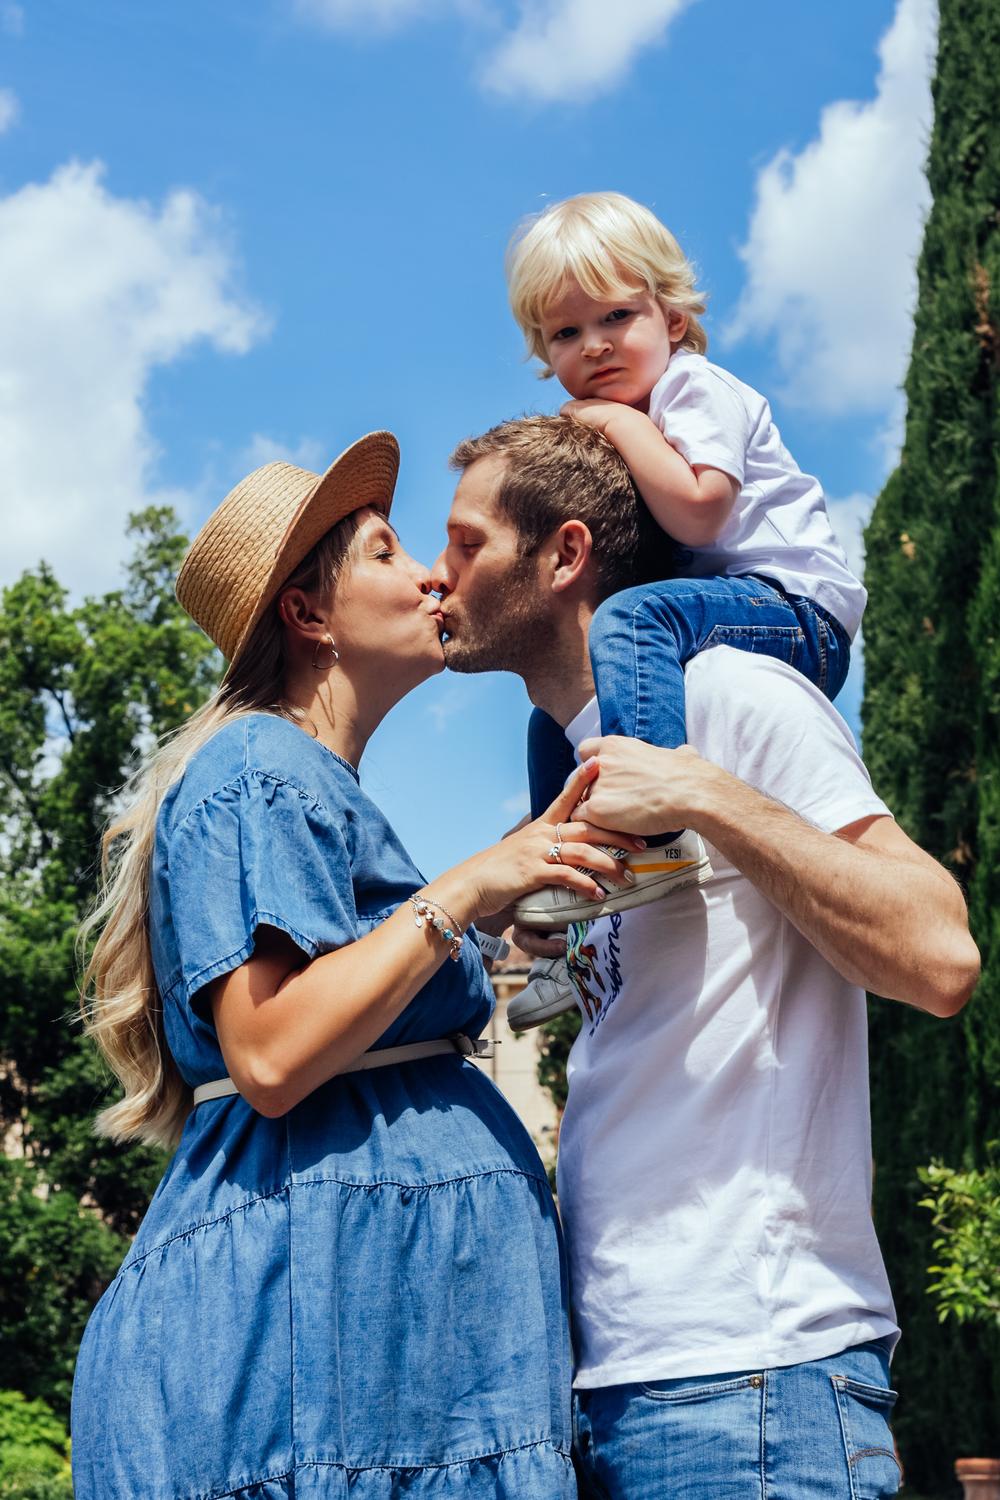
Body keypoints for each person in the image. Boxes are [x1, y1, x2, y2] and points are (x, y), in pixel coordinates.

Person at [71, 432, 644, 1499]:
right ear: (309, 615)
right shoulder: (259, 761)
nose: (431, 572)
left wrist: (502, 915)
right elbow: (272, 1050)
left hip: (375, 1364)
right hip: (313, 1358)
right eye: (385, 552)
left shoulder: (305, 784)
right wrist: (469, 889)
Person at [432, 414, 980, 1500]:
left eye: (464, 545)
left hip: (754, 1377)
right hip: (611, 1383)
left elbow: (938, 952)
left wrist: (700, 791)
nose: (434, 578)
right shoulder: (570, 768)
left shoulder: (730, 695)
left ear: (565, 556)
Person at [503, 193, 865, 996]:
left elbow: (703, 509)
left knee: (633, 618)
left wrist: (620, 428)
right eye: (565, 333)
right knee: (554, 718)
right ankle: (578, 916)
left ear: (671, 318)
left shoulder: (694, 389)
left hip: (797, 609)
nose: (593, 346)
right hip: (732, 609)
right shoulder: (634, 413)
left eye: (616, 316)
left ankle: (650, 835)